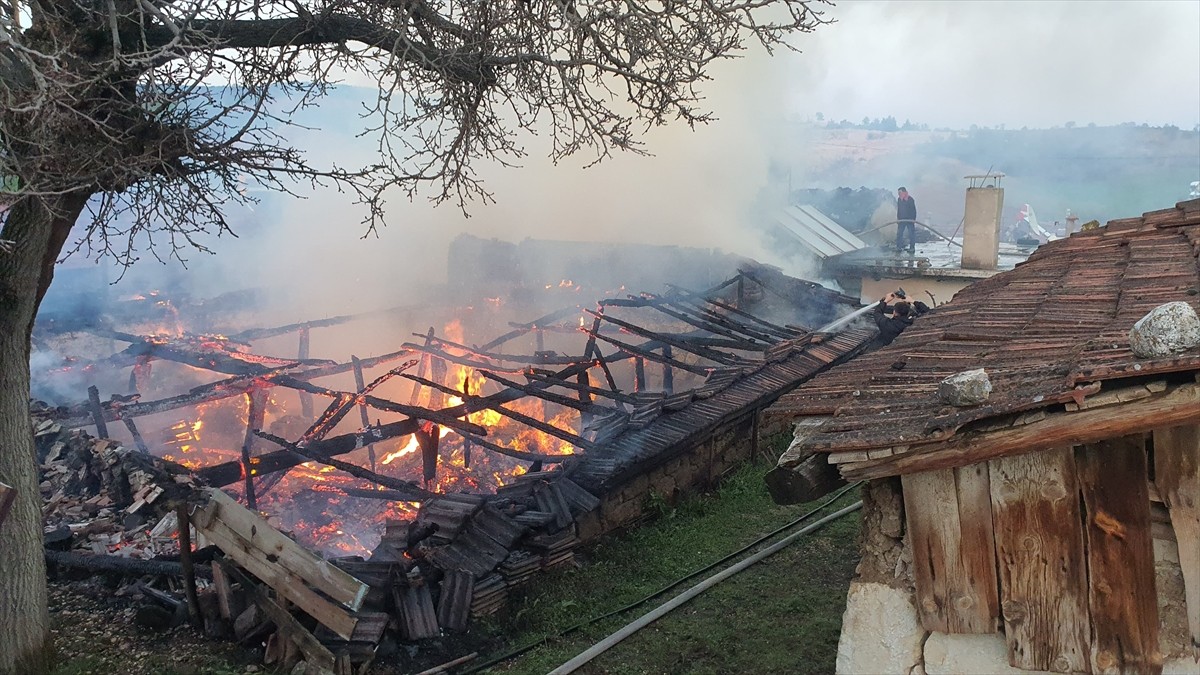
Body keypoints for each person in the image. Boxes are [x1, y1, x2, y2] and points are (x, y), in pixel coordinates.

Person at [896, 187, 917, 253]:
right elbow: (899, 210)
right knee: (899, 234)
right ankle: (898, 247)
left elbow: (914, 210)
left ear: (904, 192)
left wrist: (913, 219)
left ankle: (912, 248)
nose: (899, 194)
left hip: (910, 220)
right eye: (898, 193)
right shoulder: (899, 199)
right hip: (901, 220)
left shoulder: (910, 200)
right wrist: (898, 218)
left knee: (911, 234)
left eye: (900, 193)